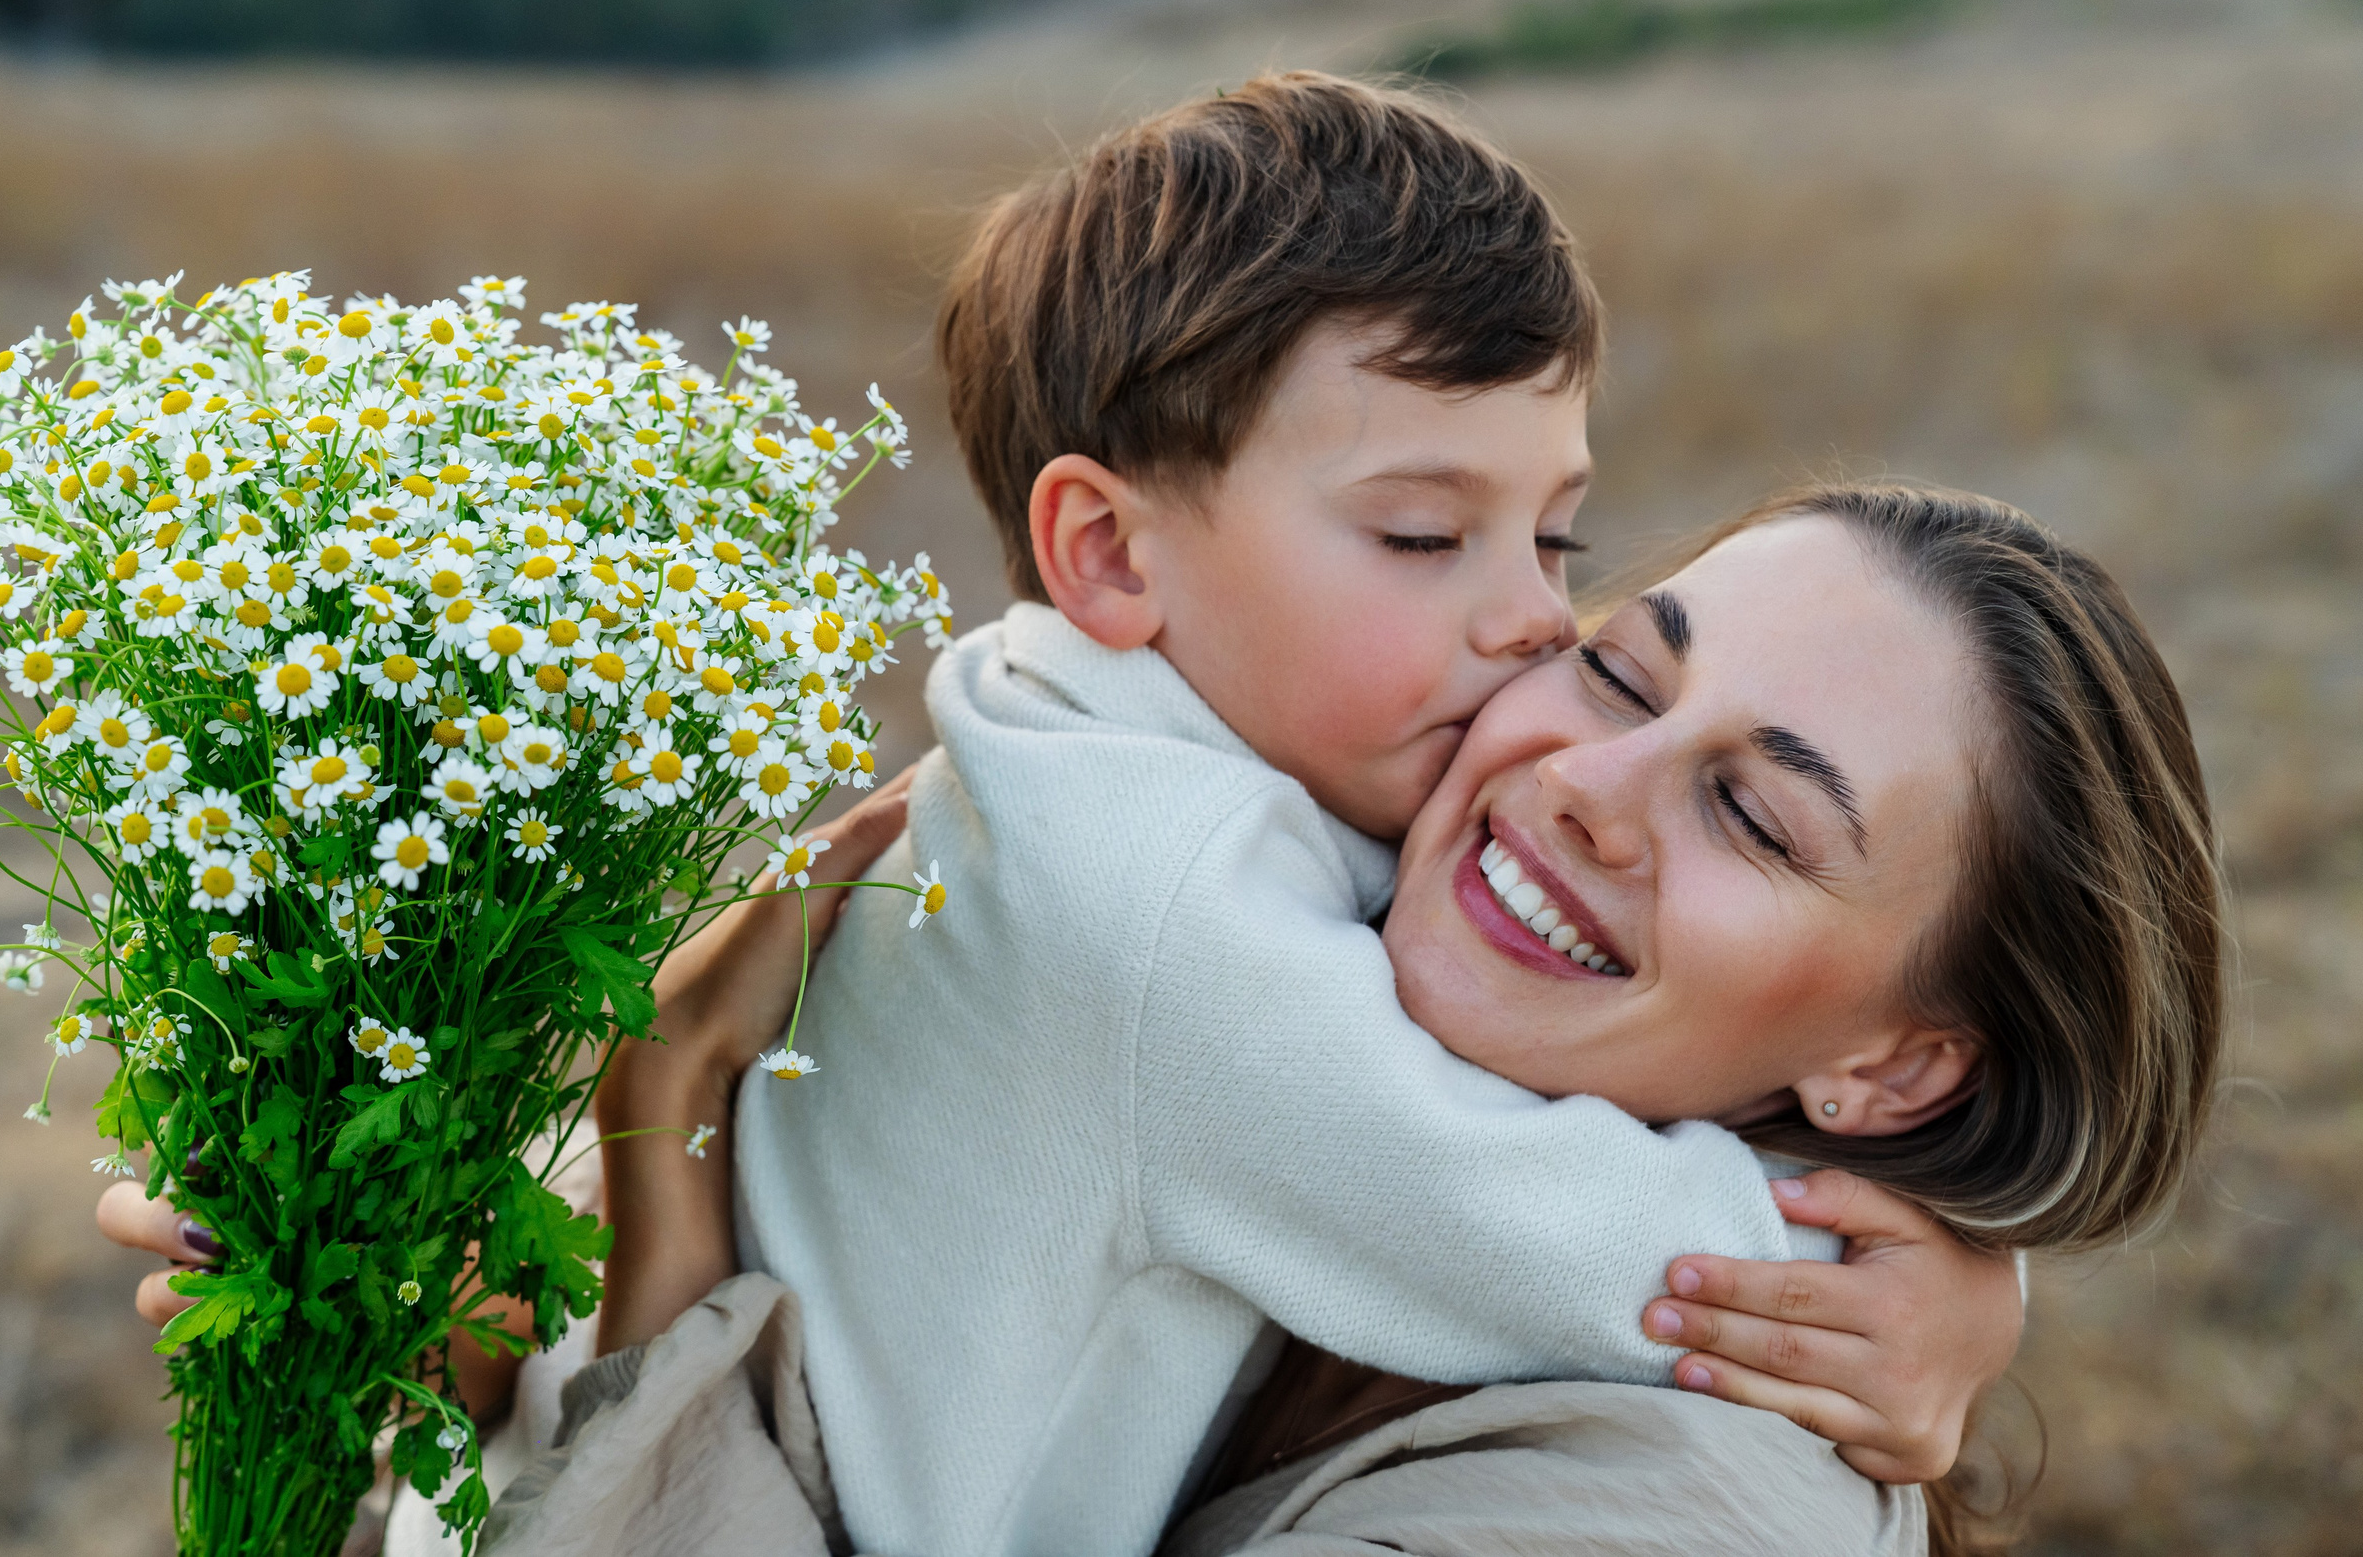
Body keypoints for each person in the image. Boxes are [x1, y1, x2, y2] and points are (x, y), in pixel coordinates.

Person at [726, 74, 2027, 1557]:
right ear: (1110, 554)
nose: (1536, 619)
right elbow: (1510, 1221)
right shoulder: (1145, 900)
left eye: (1555, 536)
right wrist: (1910, 1287)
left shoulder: (1094, 750)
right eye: (1424, 536)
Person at [483, 480, 2219, 1557]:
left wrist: (667, 1180)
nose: (1586, 783)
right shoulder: (1270, 923)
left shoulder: (1687, 1511)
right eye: (1618, 668)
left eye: (1755, 817)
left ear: (1894, 1067)